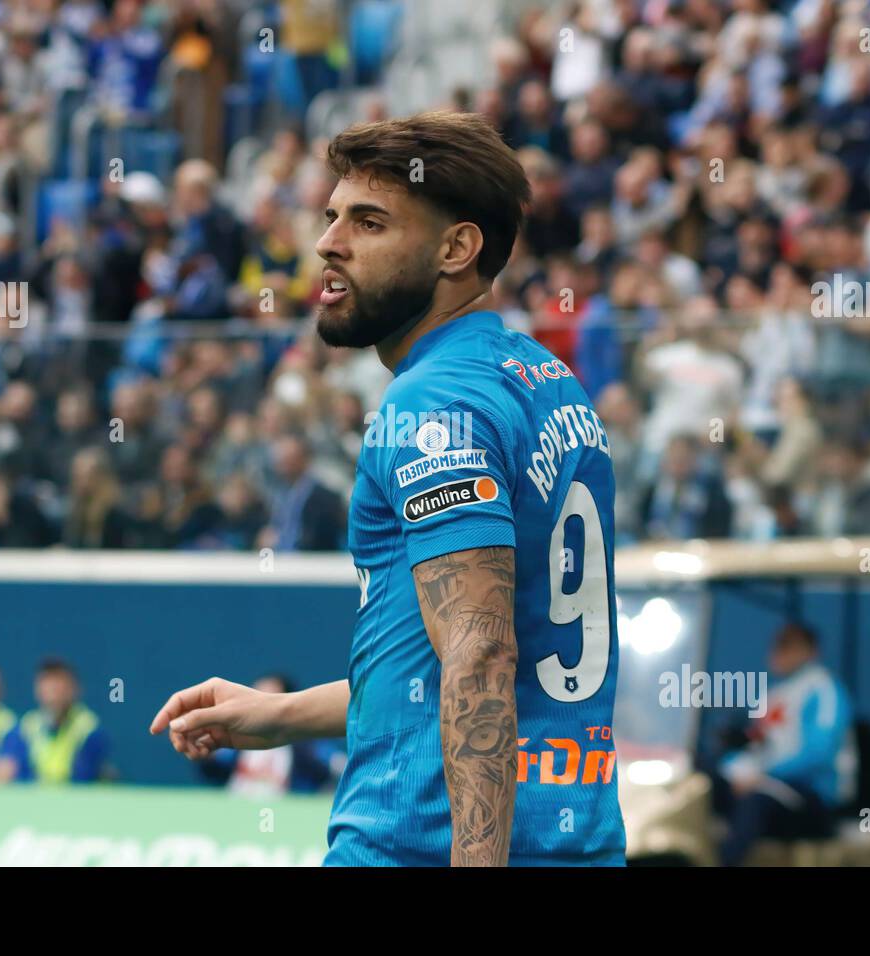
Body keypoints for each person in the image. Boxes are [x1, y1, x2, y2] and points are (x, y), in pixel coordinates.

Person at [153, 111, 626, 867]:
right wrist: (280, 714)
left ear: (456, 249)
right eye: (332, 216)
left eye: (369, 223)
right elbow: (450, 673)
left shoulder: (431, 406)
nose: (328, 243)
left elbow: (480, 659)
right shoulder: (549, 383)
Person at [711, 623, 857, 866]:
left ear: (811, 651)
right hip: (767, 785)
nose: (780, 653)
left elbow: (819, 753)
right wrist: (733, 771)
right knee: (705, 782)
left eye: (790, 647)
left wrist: (762, 775)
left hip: (811, 795)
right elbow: (755, 746)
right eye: (779, 646)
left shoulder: (825, 690)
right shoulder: (774, 695)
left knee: (754, 803)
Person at [196, 675, 338, 796]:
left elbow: (336, 766)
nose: (255, 705)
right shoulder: (238, 739)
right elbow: (213, 764)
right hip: (237, 812)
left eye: (264, 697)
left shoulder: (305, 748)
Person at [0, 659, 110, 784]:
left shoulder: (89, 729)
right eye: (48, 685)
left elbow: (88, 776)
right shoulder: (25, 728)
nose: (53, 693)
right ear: (38, 690)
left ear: (74, 689)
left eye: (59, 686)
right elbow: (5, 769)